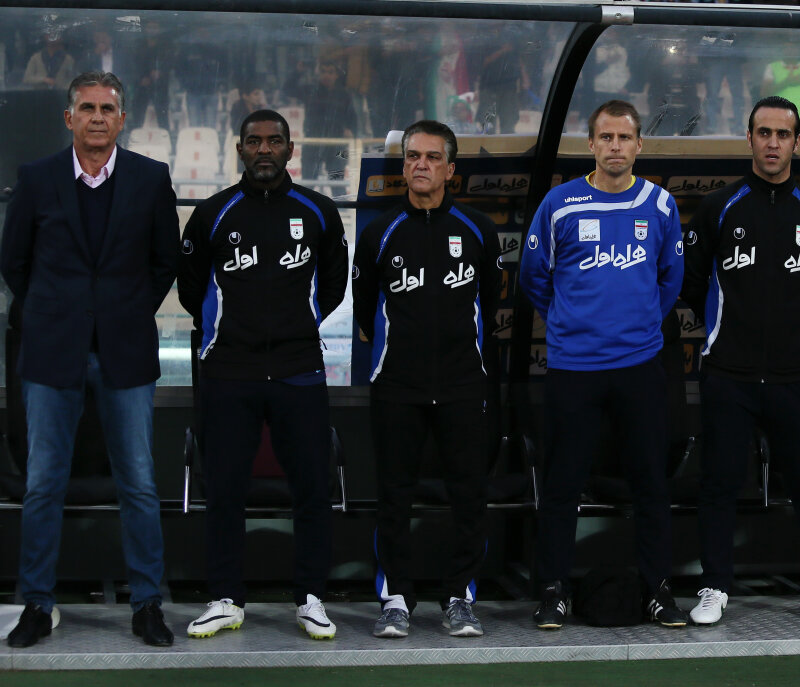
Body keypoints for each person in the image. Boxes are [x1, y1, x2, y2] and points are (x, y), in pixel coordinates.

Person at [680, 96, 800, 627]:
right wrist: (726, 332)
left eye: (782, 134)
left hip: (794, 375)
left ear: (796, 142)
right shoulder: (718, 208)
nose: (772, 143)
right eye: (763, 133)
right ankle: (715, 587)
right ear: (748, 139)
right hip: (729, 373)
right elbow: (692, 285)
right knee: (720, 484)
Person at [0, 71, 177, 648]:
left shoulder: (150, 178)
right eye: (87, 107)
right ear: (69, 117)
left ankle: (147, 603)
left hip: (126, 352)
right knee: (43, 484)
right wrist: (57, 314)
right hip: (53, 354)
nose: (97, 117)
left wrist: (124, 312)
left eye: (107, 108)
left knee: (140, 484)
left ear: (122, 119)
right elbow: (14, 261)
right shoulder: (37, 178)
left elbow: (164, 262)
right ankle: (36, 603)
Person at [177, 109, 349, 640]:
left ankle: (311, 598)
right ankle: (226, 598)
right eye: (254, 141)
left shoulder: (318, 212)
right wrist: (233, 333)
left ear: (290, 149)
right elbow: (191, 291)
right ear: (240, 149)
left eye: (275, 141)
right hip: (230, 370)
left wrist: (297, 327)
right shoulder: (212, 214)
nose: (265, 149)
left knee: (312, 488)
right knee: (225, 490)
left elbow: (333, 285)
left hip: (300, 369)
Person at [519, 100, 686, 630]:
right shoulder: (560, 204)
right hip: (574, 369)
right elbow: (534, 278)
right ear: (590, 143)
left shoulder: (659, 205)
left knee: (650, 484)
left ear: (639, 145)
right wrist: (571, 322)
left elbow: (670, 280)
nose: (615, 146)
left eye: (625, 137)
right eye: (606, 137)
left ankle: (658, 589)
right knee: (562, 485)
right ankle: (553, 590)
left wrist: (638, 325)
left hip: (639, 367)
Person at [352, 120, 501, 639]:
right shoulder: (379, 232)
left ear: (450, 169)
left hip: (463, 385)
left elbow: (491, 305)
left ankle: (459, 597)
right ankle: (396, 599)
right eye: (413, 156)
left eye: (433, 157)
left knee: (469, 497)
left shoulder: (478, 229)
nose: (421, 165)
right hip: (398, 386)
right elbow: (365, 314)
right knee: (394, 497)